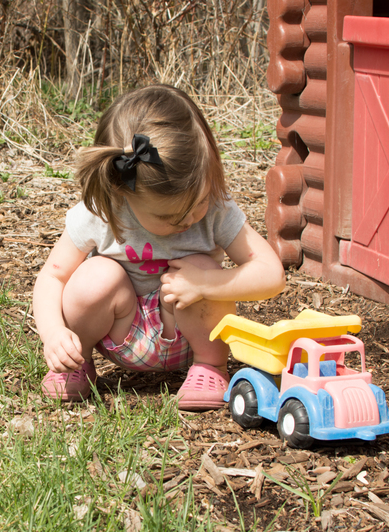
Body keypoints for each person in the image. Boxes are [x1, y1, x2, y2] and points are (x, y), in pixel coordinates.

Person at [33, 85, 286, 411]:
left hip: (189, 336)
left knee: (203, 268)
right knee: (96, 275)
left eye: (199, 202)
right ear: (122, 191)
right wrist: (54, 334)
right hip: (121, 334)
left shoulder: (215, 212)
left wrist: (204, 283)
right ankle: (76, 363)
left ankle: (210, 368)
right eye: (171, 216)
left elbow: (271, 275)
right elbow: (52, 277)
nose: (190, 219)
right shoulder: (102, 212)